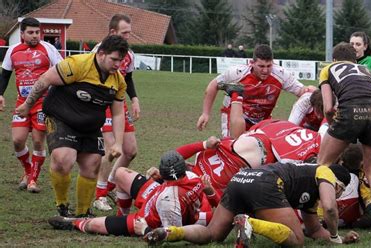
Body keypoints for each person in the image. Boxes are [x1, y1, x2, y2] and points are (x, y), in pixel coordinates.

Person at [15, 35, 128, 217]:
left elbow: (117, 112)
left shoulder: (118, 81)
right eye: (114, 59)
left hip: (90, 126)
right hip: (61, 117)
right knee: (63, 158)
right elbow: (45, 79)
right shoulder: (76, 64)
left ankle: (83, 212)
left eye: (120, 61)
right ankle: (62, 206)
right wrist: (28, 104)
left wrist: (118, 143)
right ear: (101, 54)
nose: (117, 65)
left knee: (92, 164)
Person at [143, 162, 359, 247]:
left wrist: (340, 242)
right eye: (338, 189)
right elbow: (330, 208)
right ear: (335, 184)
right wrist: (334, 234)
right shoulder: (324, 172)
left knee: (212, 235)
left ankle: (171, 233)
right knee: (296, 242)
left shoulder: (310, 195)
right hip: (265, 183)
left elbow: (314, 229)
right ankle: (249, 223)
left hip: (242, 178)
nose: (336, 194)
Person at [316, 42, 371, 239]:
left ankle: (317, 219)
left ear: (334, 60)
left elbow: (328, 108)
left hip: (349, 112)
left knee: (322, 165)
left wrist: (335, 129)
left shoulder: (328, 69)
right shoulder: (367, 70)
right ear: (354, 60)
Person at [48, 151, 219, 236]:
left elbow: (170, 235)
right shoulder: (194, 178)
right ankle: (121, 213)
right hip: (156, 194)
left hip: (147, 218)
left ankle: (74, 223)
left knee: (94, 225)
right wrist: (210, 192)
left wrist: (145, 230)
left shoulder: (170, 202)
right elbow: (216, 205)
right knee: (121, 173)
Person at [0, 17, 63, 193]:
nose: (35, 36)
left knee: (37, 141)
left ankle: (33, 180)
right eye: (31, 32)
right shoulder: (13, 50)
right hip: (21, 103)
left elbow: (63, 71)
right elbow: (4, 75)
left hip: (43, 103)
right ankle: (28, 172)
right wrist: (0, 94)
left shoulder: (48, 49)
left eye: (37, 32)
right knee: (17, 140)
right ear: (22, 33)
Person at [197, 44, 313, 138]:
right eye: (261, 66)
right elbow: (213, 85)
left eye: (269, 66)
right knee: (233, 147)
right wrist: (205, 113)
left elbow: (301, 91)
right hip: (234, 115)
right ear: (252, 63)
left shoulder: (281, 75)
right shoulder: (237, 73)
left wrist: (309, 89)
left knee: (262, 152)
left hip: (262, 120)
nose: (265, 70)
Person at [92, 14, 141, 212]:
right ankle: (99, 195)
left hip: (119, 104)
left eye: (129, 32)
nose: (128, 36)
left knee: (130, 150)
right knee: (111, 149)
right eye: (124, 33)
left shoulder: (129, 53)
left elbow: (127, 78)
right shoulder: (99, 52)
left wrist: (135, 99)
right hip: (102, 104)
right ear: (113, 32)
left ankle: (110, 185)